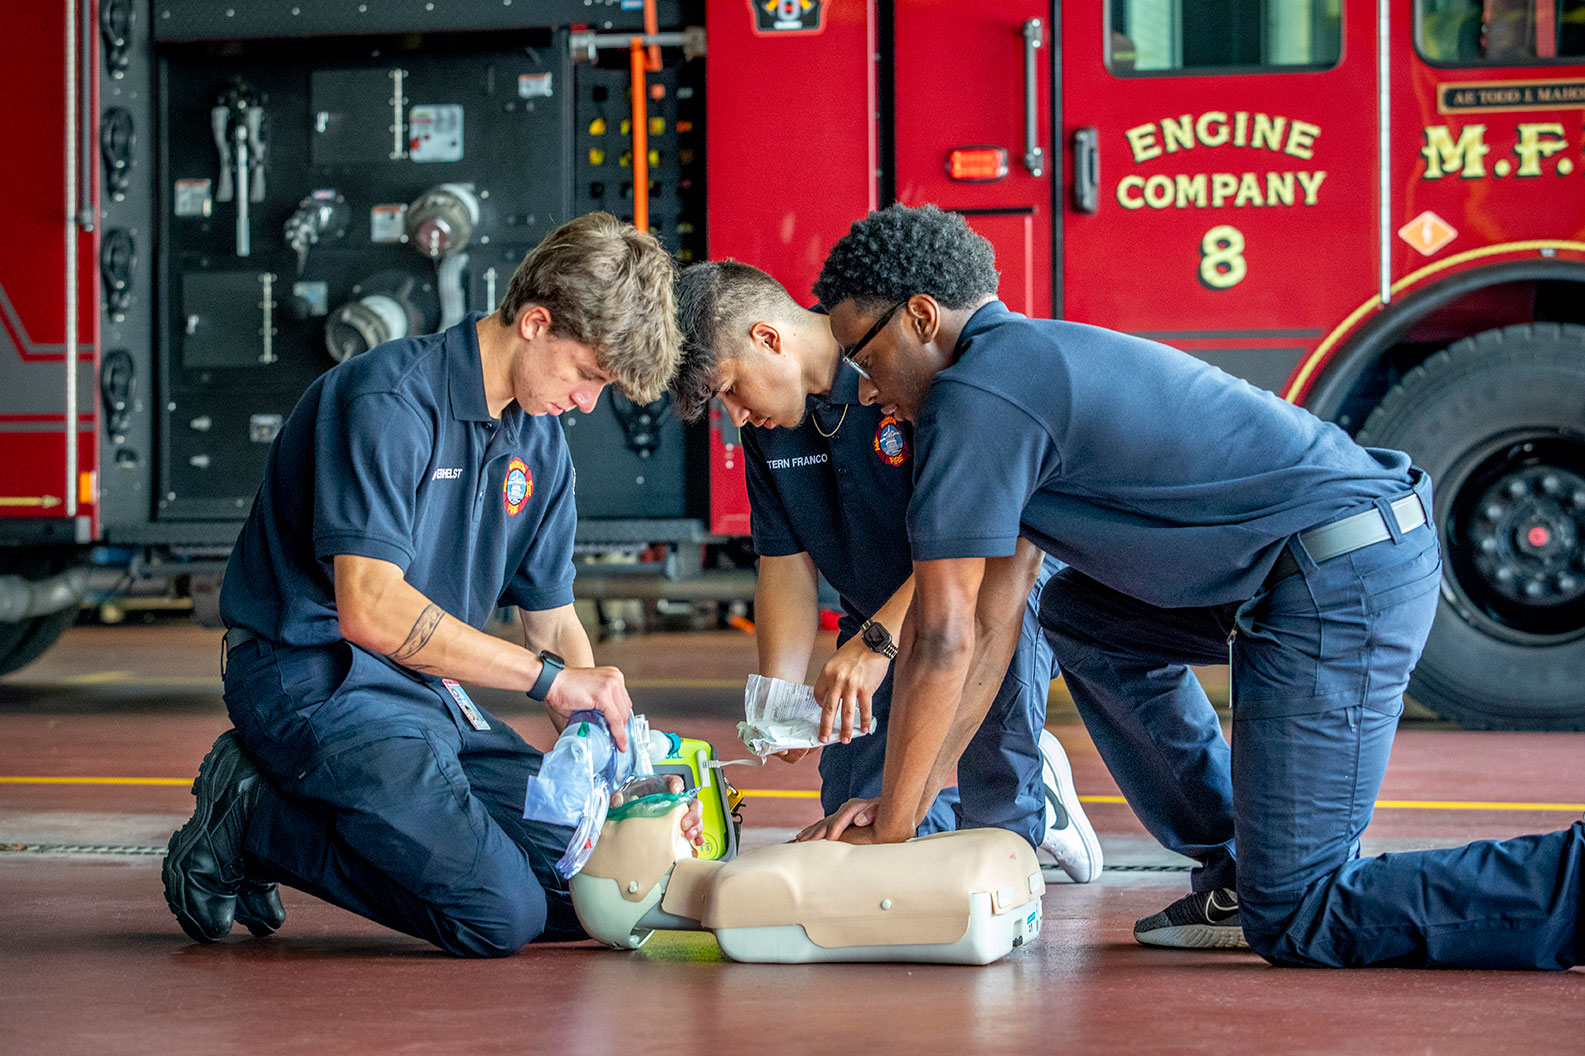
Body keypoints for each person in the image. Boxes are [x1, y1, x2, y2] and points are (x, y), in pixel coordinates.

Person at [802, 202, 1584, 970]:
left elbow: (940, 636)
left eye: (865, 359)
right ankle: (1240, 868)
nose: (865, 391)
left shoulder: (976, 401)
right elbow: (992, 621)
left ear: (919, 316)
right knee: (1079, 615)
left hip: (1340, 579)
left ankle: (1566, 882)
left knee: (1301, 915)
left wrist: (895, 838)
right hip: (1318, 563)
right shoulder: (1017, 367)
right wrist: (915, 800)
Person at [162, 213, 704, 957]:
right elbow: (371, 610)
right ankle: (253, 814)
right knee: (498, 915)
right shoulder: (387, 402)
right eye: (586, 375)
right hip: (312, 676)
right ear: (535, 322)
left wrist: (617, 767)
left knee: (596, 887)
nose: (587, 404)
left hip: (428, 690)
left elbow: (551, 625)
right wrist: (548, 682)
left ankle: (302, 806)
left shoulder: (538, 442)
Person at [670, 260, 1101, 882]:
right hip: (879, 615)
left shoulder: (899, 371)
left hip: (986, 587)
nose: (734, 416)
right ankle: (991, 794)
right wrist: (780, 694)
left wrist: (875, 644)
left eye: (731, 389)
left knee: (995, 819)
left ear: (768, 339)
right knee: (855, 825)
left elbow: (976, 539)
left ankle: (1032, 799)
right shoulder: (771, 426)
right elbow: (785, 563)